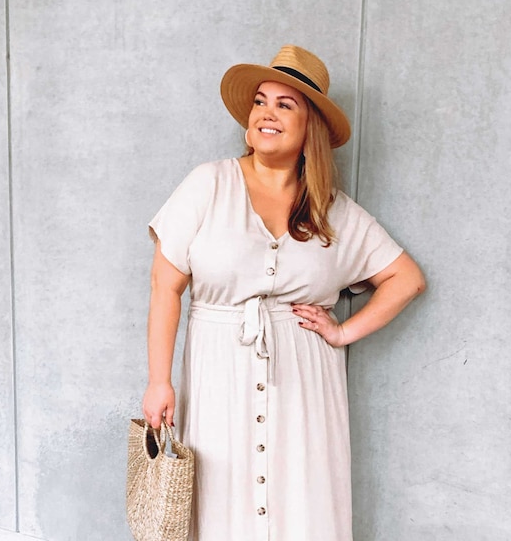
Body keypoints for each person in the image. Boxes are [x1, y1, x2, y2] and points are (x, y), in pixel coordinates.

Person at [142, 44, 425, 541]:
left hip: (305, 384)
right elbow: (166, 285)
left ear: (309, 126)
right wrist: (158, 381)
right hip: (217, 375)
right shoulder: (208, 184)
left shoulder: (332, 211)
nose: (266, 113)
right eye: (259, 101)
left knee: (303, 505)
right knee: (220, 500)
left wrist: (342, 333)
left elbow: (406, 278)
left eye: (284, 104)